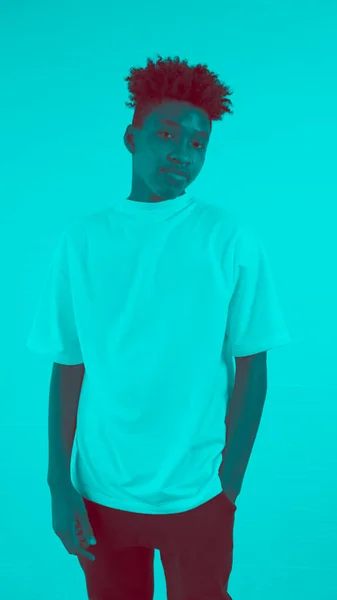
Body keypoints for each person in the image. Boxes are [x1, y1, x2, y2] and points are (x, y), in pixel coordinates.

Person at [26, 54, 291, 600]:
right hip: (99, 490)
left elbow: (252, 366)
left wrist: (229, 484)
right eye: (167, 134)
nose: (182, 154)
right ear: (131, 137)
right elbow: (68, 365)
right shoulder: (83, 240)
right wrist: (58, 482)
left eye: (197, 145)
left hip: (196, 492)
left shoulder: (229, 239)